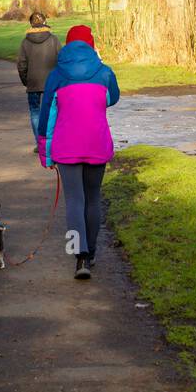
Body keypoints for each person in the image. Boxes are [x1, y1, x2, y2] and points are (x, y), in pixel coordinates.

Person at [36, 25, 120, 281]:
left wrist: (45, 153)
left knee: (75, 200)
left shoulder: (56, 75)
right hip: (97, 143)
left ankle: (80, 256)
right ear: (92, 45)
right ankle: (92, 253)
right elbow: (112, 98)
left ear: (66, 46)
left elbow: (46, 117)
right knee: (93, 198)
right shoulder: (104, 73)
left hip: (66, 146)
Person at [16, 11, 61, 148]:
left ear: (30, 24)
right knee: (53, 111)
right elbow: (61, 61)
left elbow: (21, 65)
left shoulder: (25, 42)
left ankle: (40, 144)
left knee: (35, 112)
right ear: (45, 22)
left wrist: (26, 81)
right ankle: (53, 142)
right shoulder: (54, 40)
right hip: (52, 83)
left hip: (33, 83)